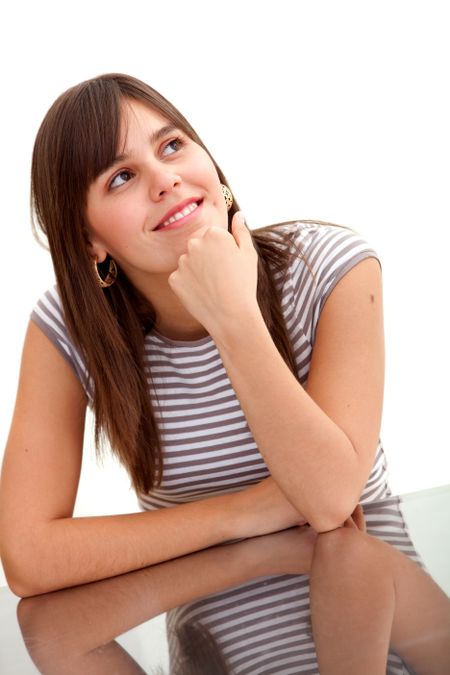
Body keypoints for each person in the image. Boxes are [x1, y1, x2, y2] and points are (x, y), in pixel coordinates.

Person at [0, 73, 448, 673]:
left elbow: (329, 501)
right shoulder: (70, 330)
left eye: (173, 145)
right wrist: (249, 512)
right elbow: (28, 557)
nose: (166, 180)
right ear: (89, 242)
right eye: (122, 177)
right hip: (218, 631)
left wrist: (232, 316)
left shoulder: (330, 269)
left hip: (376, 620)